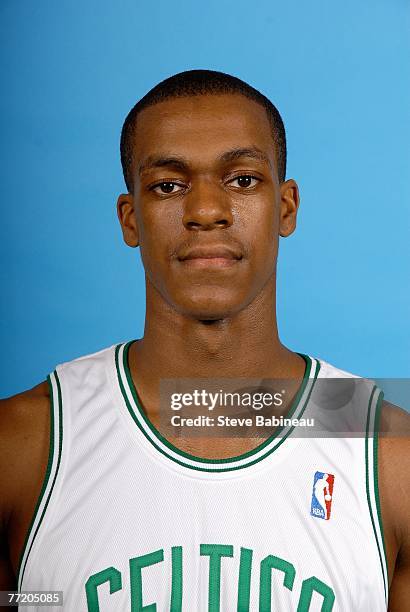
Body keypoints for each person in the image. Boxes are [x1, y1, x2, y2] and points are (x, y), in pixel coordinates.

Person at [0, 69, 408, 611]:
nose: (206, 211)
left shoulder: (384, 453)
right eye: (168, 185)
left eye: (242, 180)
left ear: (285, 208)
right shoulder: (28, 445)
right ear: (130, 219)